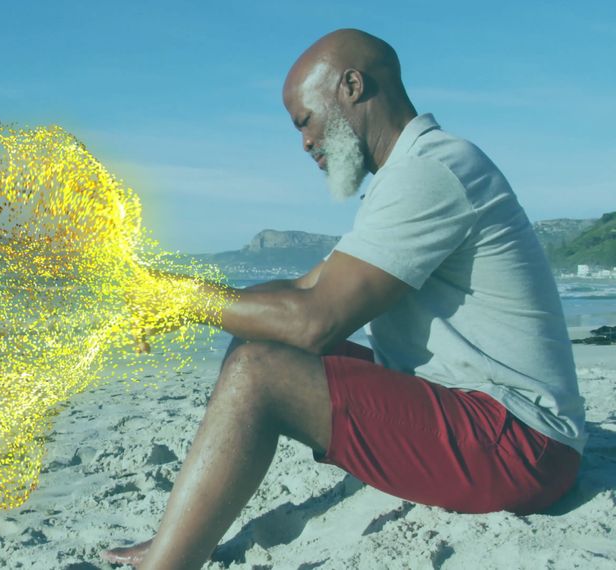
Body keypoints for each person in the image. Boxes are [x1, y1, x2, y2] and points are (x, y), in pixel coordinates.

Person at [101, 28, 586, 569]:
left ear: (351, 86)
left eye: (305, 121)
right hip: (488, 422)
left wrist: (184, 298)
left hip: (523, 448)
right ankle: (182, 539)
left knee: (258, 373)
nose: (304, 143)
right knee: (256, 338)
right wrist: (171, 305)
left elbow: (315, 322)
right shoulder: (408, 171)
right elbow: (303, 289)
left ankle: (169, 563)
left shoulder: (430, 171)